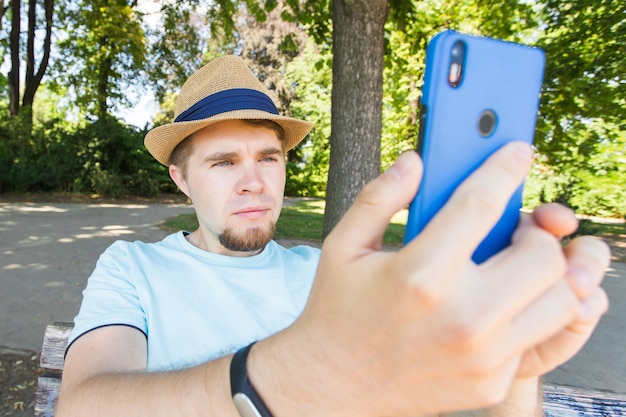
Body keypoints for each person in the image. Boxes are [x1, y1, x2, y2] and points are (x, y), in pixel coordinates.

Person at [57, 55, 610, 417]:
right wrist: (285, 372)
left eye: (268, 158)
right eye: (224, 162)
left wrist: (514, 367)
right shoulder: (131, 266)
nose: (254, 181)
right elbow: (82, 404)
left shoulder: (327, 273)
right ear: (181, 179)